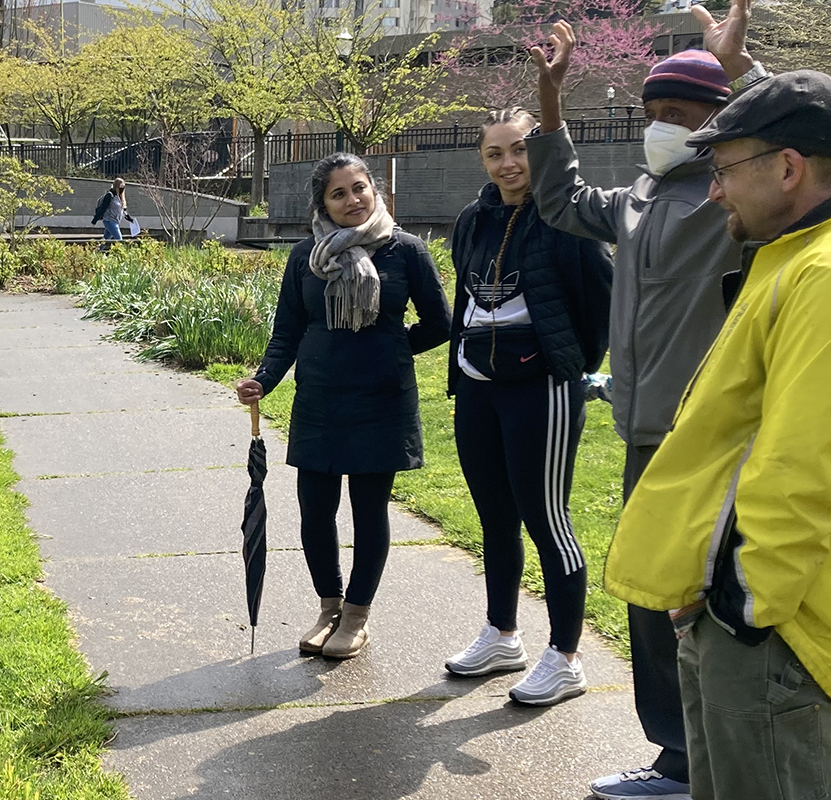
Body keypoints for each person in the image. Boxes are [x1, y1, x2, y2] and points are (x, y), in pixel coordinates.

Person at [606, 69, 831, 800]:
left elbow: (801, 469)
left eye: (725, 169)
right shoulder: (805, 257)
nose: (712, 190)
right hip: (745, 607)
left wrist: (739, 609)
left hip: (773, 627)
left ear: (788, 169)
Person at [523, 1, 771, 792]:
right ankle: (675, 755)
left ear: (718, 124)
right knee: (648, 596)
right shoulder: (637, 199)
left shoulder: (736, 202)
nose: (663, 125)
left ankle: (697, 762)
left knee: (697, 603)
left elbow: (797, 147)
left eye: (681, 115)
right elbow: (560, 200)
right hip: (641, 432)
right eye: (654, 112)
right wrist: (552, 101)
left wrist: (740, 70)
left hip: (707, 436)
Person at [234, 153, 451, 659]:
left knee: (368, 509)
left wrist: (393, 349)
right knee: (315, 510)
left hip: (381, 400)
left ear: (375, 191)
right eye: (339, 193)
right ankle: (329, 607)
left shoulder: (406, 251)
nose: (353, 199)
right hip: (320, 400)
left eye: (360, 188)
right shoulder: (305, 256)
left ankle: (356, 615)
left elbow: (441, 324)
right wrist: (263, 380)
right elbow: (287, 332)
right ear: (323, 204)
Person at [439, 108, 612, 706]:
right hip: (478, 384)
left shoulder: (566, 218)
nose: (509, 163)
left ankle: (565, 656)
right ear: (482, 160)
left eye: (521, 150)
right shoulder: (472, 219)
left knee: (548, 522)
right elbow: (466, 296)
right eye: (496, 153)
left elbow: (600, 305)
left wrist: (566, 364)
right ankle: (502, 635)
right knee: (494, 517)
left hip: (542, 388)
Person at [91, 178, 133, 248]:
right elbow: (103, 208)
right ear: (116, 186)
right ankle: (122, 256)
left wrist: (130, 219)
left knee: (105, 240)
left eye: (123, 187)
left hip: (115, 221)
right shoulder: (110, 196)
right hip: (109, 221)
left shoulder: (119, 197)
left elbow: (123, 210)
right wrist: (94, 220)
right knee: (119, 240)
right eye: (121, 187)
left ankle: (96, 252)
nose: (122, 189)